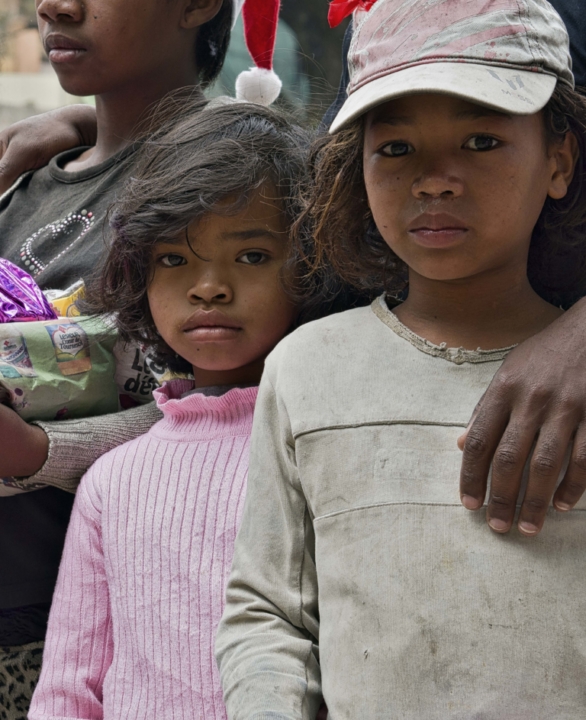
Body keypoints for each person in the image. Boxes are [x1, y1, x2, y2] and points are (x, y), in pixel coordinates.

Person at [216, 0, 586, 717]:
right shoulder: (309, 370)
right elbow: (269, 614)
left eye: (481, 141)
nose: (435, 179)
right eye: (395, 149)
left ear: (559, 161)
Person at [27, 100, 312, 720]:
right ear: (139, 273)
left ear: (312, 263)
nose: (208, 287)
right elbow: (68, 689)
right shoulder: (112, 480)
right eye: (174, 259)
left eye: (252, 256)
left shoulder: (326, 446)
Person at [0, 0, 235, 714]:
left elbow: (238, 407)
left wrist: (41, 452)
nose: (55, 6)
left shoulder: (232, 177)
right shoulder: (29, 178)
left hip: (89, 634)